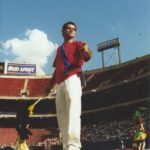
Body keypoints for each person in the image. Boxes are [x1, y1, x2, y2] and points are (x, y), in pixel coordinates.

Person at [47, 21, 92, 150]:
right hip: (60, 83)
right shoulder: (59, 49)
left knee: (73, 109)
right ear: (63, 31)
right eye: (68, 28)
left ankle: (74, 144)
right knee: (61, 114)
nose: (72, 30)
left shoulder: (79, 44)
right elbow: (57, 69)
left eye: (74, 29)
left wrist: (87, 50)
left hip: (72, 78)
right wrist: (49, 85)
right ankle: (66, 145)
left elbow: (88, 56)